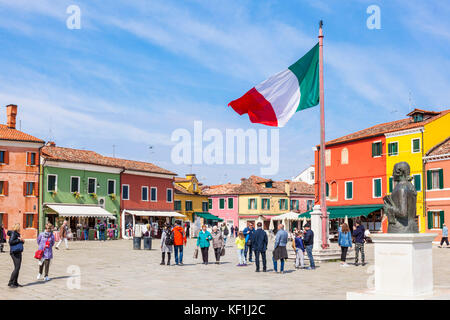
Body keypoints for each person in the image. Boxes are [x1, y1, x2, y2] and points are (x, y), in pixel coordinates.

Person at [7, 223, 24, 288]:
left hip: (18, 251)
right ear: (17, 228)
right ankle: (10, 282)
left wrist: (22, 240)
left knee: (18, 267)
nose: (20, 228)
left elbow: (20, 242)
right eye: (19, 227)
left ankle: (15, 282)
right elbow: (11, 242)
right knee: (17, 267)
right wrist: (19, 239)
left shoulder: (17, 234)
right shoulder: (14, 233)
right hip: (14, 252)